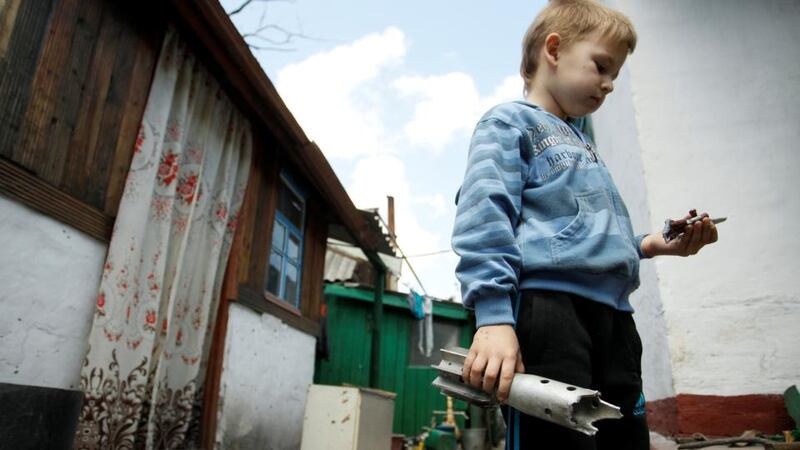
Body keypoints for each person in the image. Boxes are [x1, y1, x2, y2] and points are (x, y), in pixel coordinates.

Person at [450, 1, 718, 449]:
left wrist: (651, 244)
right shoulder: (508, 123)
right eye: (601, 66)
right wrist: (493, 317)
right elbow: (484, 214)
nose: (610, 84)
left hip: (615, 319)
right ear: (554, 49)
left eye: (615, 75)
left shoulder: (583, 142)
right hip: (551, 313)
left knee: (626, 440)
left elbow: (579, 236)